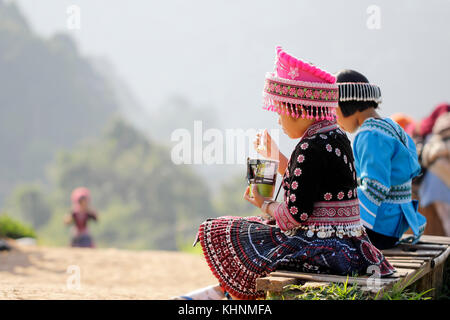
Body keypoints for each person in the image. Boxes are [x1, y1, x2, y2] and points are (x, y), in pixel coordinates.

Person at [176, 47, 394, 300]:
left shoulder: (309, 146)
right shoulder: (335, 134)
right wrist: (278, 158)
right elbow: (312, 182)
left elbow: (294, 217)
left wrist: (265, 203)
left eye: (281, 112)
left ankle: (221, 297)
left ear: (299, 111)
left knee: (224, 229)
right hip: (351, 244)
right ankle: (219, 295)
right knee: (252, 231)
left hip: (322, 247)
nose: (279, 120)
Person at [334, 69, 426, 249]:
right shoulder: (392, 126)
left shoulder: (369, 135)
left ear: (347, 105)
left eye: (334, 110)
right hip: (393, 226)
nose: (335, 119)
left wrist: (343, 212)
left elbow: (375, 187)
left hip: (379, 227)